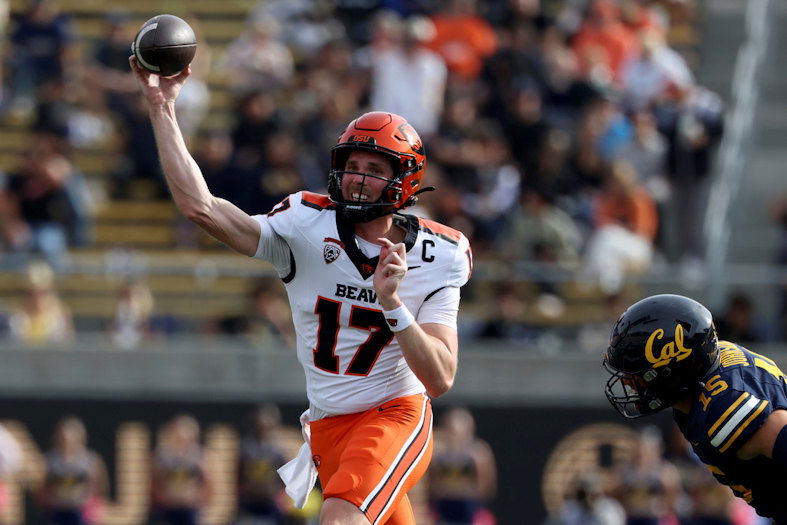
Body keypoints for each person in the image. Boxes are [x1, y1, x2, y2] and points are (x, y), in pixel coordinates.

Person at [129, 54, 472, 525]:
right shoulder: (306, 226)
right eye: (353, 164)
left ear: (404, 181)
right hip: (327, 427)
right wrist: (161, 107)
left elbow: (440, 378)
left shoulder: (439, 255)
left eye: (375, 168)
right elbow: (201, 208)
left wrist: (393, 305)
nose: (357, 177)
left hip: (393, 415)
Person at [603, 294, 787, 523]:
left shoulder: (724, 406)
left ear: (671, 369)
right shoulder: (706, 378)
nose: (629, 384)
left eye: (637, 374)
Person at [39, 416, 108, 525]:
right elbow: (44, 487)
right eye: (63, 438)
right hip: (58, 510)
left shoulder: (89, 460)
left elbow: (101, 486)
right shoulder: (51, 460)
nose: (67, 442)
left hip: (82, 510)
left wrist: (93, 504)